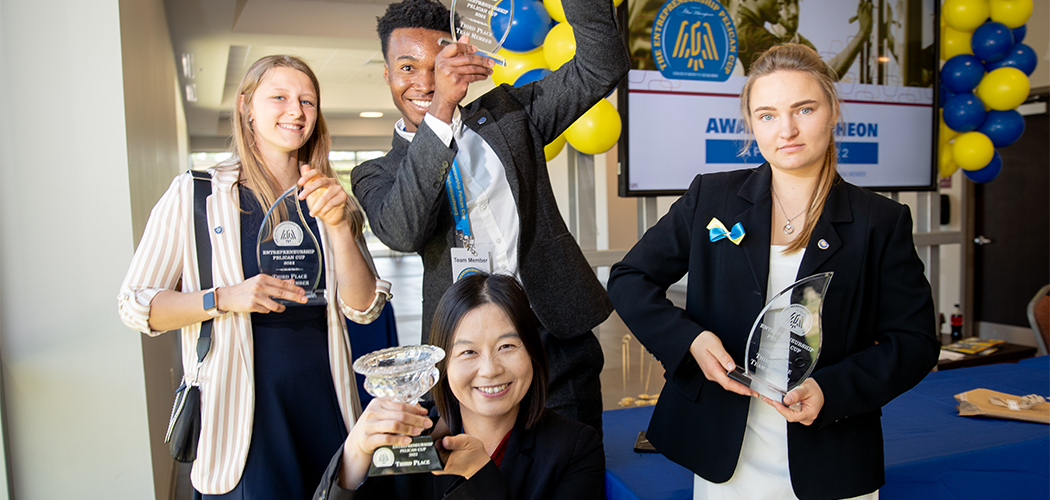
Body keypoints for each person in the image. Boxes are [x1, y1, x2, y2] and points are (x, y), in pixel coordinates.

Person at [607, 43, 939, 500]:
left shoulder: (878, 221)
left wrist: (832, 390)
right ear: (751, 125)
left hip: (831, 451)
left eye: (804, 109)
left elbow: (915, 342)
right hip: (727, 453)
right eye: (767, 115)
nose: (786, 129)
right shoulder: (713, 198)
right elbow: (629, 278)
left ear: (832, 111)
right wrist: (689, 342)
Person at [118, 55, 391, 498]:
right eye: (279, 97)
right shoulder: (197, 195)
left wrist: (340, 223)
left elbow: (364, 308)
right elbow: (135, 305)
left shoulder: (326, 199)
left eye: (308, 100)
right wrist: (224, 298)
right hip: (242, 420)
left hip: (326, 402)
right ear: (247, 106)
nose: (296, 111)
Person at [351, 0, 630, 434]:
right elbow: (403, 232)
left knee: (572, 478)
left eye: (437, 63)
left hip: (552, 340)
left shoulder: (512, 116)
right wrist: (441, 109)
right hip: (464, 361)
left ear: (457, 55)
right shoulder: (376, 172)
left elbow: (602, 64)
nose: (423, 80)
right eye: (407, 67)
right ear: (387, 74)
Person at [313, 273, 605, 500]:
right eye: (468, 352)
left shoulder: (574, 447)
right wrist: (354, 455)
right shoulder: (405, 436)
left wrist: (479, 474)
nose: (490, 369)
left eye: (507, 346)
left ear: (532, 352)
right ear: (442, 364)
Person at [736, 0, 873, 78]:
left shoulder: (743, 29)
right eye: (785, 2)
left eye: (795, 4)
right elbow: (824, 75)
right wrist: (863, 33)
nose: (780, 4)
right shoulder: (755, 37)